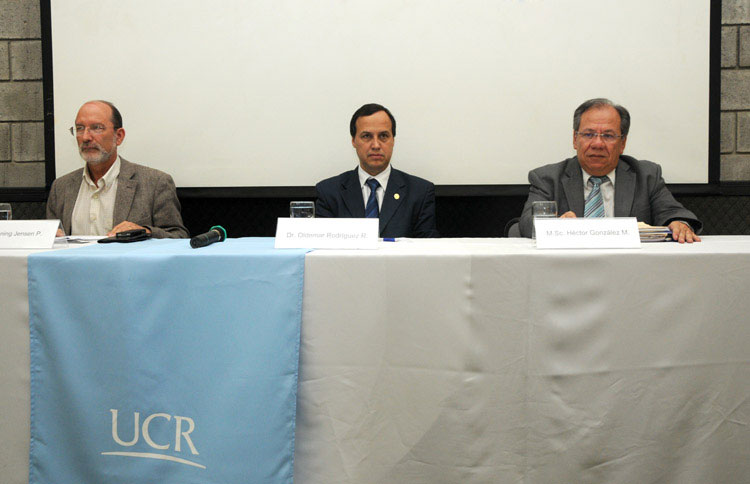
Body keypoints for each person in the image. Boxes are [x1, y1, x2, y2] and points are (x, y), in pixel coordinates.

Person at [519, 98, 702, 243]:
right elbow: (527, 223)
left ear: (622, 143)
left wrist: (679, 224)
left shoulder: (646, 175)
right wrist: (556, 226)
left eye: (608, 136)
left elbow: (672, 212)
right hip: (568, 268)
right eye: (588, 134)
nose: (597, 144)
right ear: (575, 140)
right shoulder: (548, 178)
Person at [47, 101, 188, 238]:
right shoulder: (61, 188)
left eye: (97, 128)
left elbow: (178, 237)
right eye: (79, 128)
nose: (85, 137)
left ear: (119, 136)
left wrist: (146, 231)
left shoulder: (155, 183)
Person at [315, 103, 439, 238]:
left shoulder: (419, 192)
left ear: (393, 140)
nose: (375, 145)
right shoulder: (330, 192)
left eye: (383, 136)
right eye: (367, 136)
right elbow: (323, 251)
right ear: (353, 141)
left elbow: (427, 251)